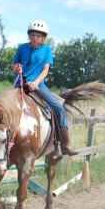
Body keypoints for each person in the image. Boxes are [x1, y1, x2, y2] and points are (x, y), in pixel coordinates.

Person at [11, 20, 78, 156]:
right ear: (29, 36)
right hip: (20, 84)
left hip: (38, 85)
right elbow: (14, 65)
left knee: (58, 107)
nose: (35, 38)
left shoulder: (46, 49)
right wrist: (16, 68)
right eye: (33, 35)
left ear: (43, 38)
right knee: (3, 106)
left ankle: (64, 143)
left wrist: (35, 83)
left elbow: (45, 70)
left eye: (39, 36)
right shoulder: (22, 48)